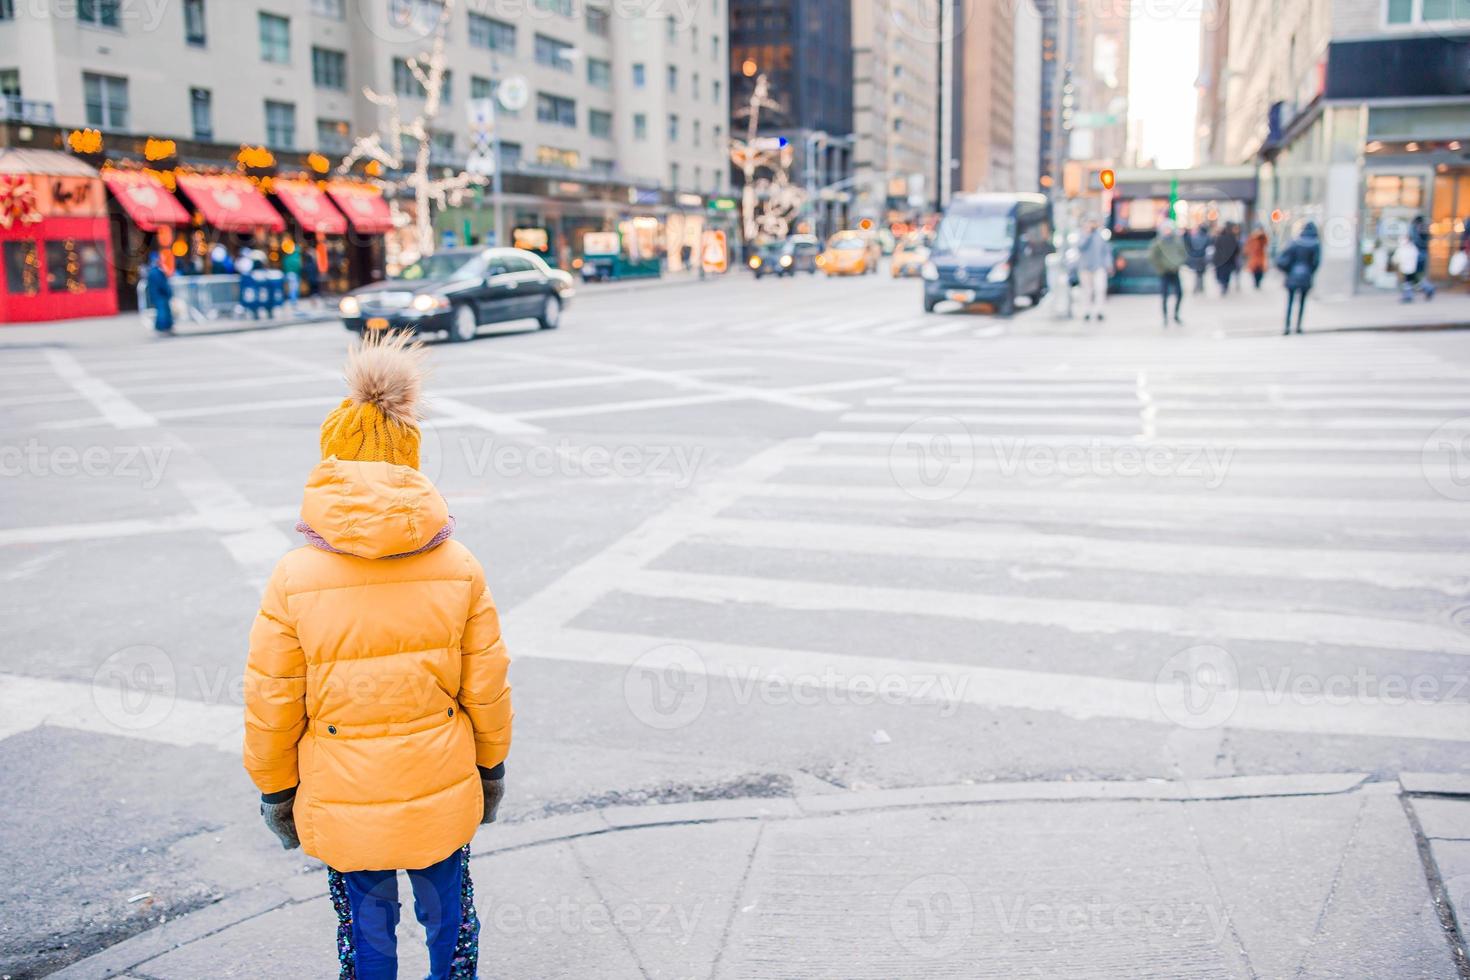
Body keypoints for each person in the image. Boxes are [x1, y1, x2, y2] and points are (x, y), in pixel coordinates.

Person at [243, 332, 512, 980]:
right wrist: (491, 771)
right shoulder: (459, 568)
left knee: (365, 937)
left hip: (343, 794)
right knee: (451, 924)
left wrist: (277, 791)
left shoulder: (293, 577)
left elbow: (273, 700)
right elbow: (488, 688)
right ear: (410, 460)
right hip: (439, 785)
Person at [1275, 221, 1321, 335]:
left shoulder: (1295, 242)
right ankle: (1298, 327)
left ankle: (1287, 327)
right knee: (1302, 302)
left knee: (1290, 302)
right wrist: (1310, 272)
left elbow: (1283, 258)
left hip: (1292, 275)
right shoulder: (1315, 243)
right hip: (1306, 276)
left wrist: (1288, 271)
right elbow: (1316, 262)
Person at [1147, 220, 1189, 328]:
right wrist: (1160, 267)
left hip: (1175, 271)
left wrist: (1177, 263)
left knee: (1179, 294)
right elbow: (1152, 257)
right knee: (1164, 295)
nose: (1167, 231)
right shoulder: (1158, 243)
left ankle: (1176, 314)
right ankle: (1165, 317)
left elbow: (1183, 254)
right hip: (1164, 272)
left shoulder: (1177, 241)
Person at [1076, 217, 1112, 322]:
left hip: (1099, 267)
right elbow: (1080, 247)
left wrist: (1108, 264)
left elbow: (1106, 251)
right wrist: (1087, 234)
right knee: (1087, 290)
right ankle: (1086, 311)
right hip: (1085, 268)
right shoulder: (1082, 235)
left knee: (1100, 289)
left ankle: (1099, 311)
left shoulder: (1100, 235)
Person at [1400, 215, 1437, 302]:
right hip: (1422, 255)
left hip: (1413, 256)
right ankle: (1428, 288)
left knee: (1410, 276)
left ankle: (1411, 294)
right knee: (1416, 275)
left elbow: (1412, 240)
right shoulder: (1426, 229)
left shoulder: (1414, 228)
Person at [145, 251, 173, 335]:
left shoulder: (154, 271)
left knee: (162, 311)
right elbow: (162, 284)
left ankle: (163, 326)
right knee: (162, 312)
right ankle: (162, 327)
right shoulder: (156, 272)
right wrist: (168, 292)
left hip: (158, 295)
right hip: (160, 295)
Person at [1212, 222, 1240, 295]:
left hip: (1220, 260)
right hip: (1229, 260)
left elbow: (1216, 248)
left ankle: (1223, 284)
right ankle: (1225, 285)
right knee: (1227, 274)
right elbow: (1236, 249)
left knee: (1221, 273)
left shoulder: (1219, 238)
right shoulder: (1232, 238)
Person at [1185, 223, 1212, 294]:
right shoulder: (1207, 237)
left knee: (1198, 273)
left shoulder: (1194, 237)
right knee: (1200, 273)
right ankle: (1200, 287)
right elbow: (1209, 248)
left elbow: (1190, 247)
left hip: (1195, 257)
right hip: (1202, 257)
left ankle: (1198, 287)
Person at [1244, 225, 1270, 289]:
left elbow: (1266, 242)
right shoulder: (1252, 238)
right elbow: (1248, 246)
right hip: (1254, 257)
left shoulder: (1262, 237)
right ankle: (1256, 282)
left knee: (1261, 272)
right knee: (1255, 271)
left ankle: (1258, 282)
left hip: (1261, 257)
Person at [282, 243, 303, 314]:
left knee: (291, 288)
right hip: (294, 275)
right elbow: (298, 267)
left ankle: (291, 300)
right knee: (294, 289)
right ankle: (293, 301)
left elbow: (284, 265)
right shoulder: (296, 257)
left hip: (288, 274)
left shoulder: (288, 257)